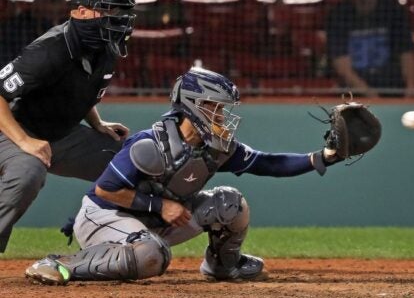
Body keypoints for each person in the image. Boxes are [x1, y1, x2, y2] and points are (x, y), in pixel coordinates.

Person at [24, 67, 344, 285]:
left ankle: (223, 266)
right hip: (104, 218)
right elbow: (105, 192)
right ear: (193, 106)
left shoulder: (215, 146)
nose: (222, 117)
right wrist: (158, 207)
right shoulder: (150, 145)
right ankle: (61, 264)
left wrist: (325, 157)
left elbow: (267, 163)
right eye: (215, 109)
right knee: (152, 256)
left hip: (151, 221)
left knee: (230, 203)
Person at [0, 0, 136, 253]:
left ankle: (136, 242)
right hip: (15, 128)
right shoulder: (49, 49)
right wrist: (25, 142)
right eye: (109, 10)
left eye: (121, 12)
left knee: (132, 162)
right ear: (81, 12)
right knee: (28, 171)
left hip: (60, 134)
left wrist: (97, 123)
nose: (118, 19)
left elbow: (79, 90)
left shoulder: (105, 47)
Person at [325, 0, 414, 97]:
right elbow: (343, 67)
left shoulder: (393, 10)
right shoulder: (339, 15)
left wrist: (410, 86)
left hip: (392, 88)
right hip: (355, 95)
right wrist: (369, 94)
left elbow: (405, 52)